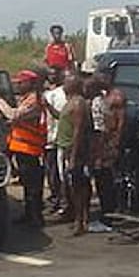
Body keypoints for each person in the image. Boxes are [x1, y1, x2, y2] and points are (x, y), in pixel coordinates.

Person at [0, 70, 46, 228]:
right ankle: (29, 214)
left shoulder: (34, 100)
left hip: (31, 149)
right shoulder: (27, 98)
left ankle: (35, 217)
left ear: (31, 83)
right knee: (27, 184)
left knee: (33, 186)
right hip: (22, 148)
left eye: (21, 83)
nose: (18, 86)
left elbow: (14, 115)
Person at [88, 74, 125, 228]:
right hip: (102, 143)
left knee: (106, 180)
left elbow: (120, 122)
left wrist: (114, 143)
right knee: (102, 179)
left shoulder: (116, 97)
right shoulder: (102, 97)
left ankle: (108, 216)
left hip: (107, 144)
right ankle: (108, 212)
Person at [56, 75, 91, 236]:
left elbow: (78, 131)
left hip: (75, 150)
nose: (63, 86)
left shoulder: (78, 104)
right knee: (73, 186)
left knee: (78, 187)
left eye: (66, 83)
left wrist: (73, 156)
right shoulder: (70, 102)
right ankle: (80, 219)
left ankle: (80, 221)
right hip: (67, 148)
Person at [41, 68, 67, 214]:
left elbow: (60, 116)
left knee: (56, 172)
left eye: (54, 74)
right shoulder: (48, 93)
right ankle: (55, 197)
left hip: (56, 138)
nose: (51, 77)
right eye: (49, 74)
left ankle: (59, 199)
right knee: (50, 171)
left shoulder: (60, 94)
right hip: (46, 137)